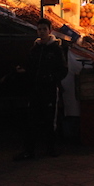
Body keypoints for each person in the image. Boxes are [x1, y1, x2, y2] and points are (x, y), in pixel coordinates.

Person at [14, 18, 69, 161]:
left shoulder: (56, 49)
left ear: (50, 31)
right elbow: (30, 66)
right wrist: (24, 70)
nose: (42, 32)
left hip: (49, 90)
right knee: (31, 119)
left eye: (44, 29)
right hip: (35, 89)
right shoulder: (35, 48)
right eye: (39, 29)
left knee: (50, 119)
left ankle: (51, 148)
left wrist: (51, 78)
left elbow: (63, 70)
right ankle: (29, 150)